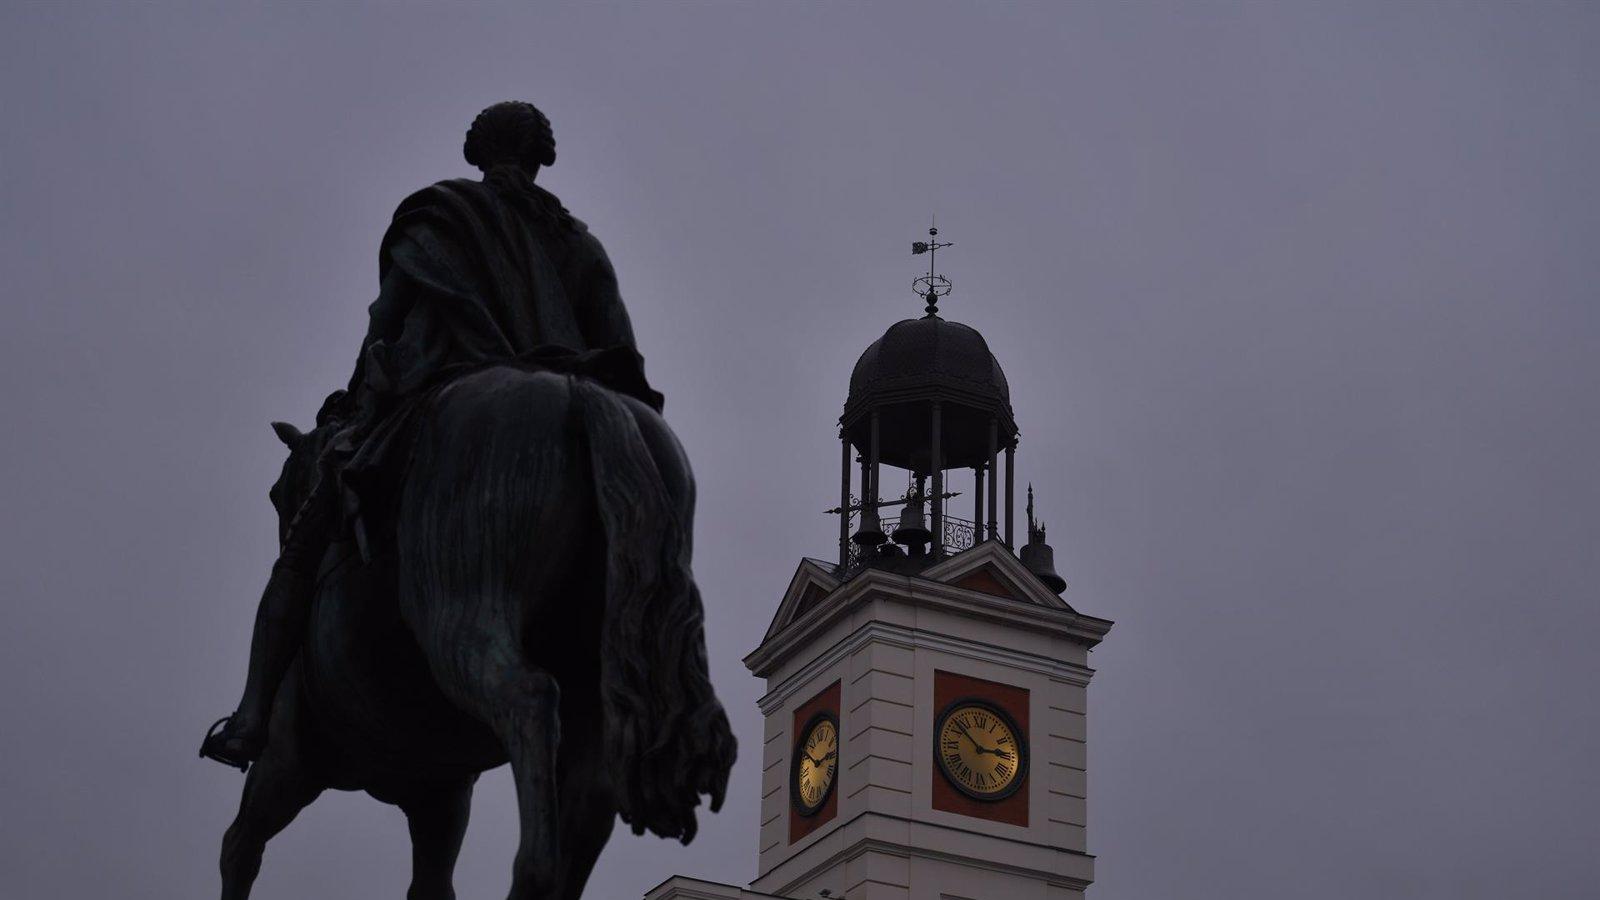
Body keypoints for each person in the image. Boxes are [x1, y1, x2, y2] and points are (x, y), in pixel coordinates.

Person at [200, 101, 661, 770]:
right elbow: (620, 350)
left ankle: (249, 717)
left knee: (300, 549)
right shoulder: (580, 244)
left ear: (478, 152)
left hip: (439, 392)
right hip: (581, 395)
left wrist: (356, 404)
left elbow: (384, 324)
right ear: (540, 157)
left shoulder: (439, 216)